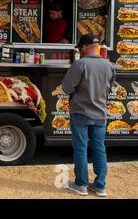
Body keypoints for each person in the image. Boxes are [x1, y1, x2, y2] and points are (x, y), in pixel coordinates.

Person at [62, 33, 116, 197]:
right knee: (100, 149)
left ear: (85, 47)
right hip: (100, 114)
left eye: (81, 48)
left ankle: (81, 185)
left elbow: (66, 88)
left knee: (81, 148)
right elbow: (110, 87)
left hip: (80, 112)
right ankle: (100, 186)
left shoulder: (80, 64)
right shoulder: (109, 65)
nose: (81, 50)